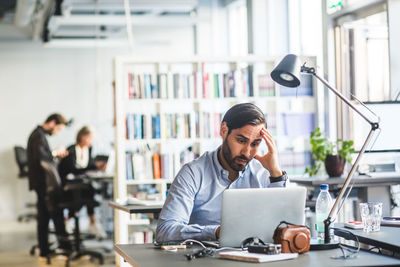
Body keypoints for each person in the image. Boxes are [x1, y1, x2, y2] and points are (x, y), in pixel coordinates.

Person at [155, 103, 287, 242]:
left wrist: (276, 174)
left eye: (255, 144)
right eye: (241, 141)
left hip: (258, 257)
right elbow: (165, 231)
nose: (247, 152)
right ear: (224, 131)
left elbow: (286, 226)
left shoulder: (266, 172)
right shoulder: (193, 173)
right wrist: (217, 232)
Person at [27, 113, 71, 258]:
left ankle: (45, 250)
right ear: (52, 123)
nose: (56, 132)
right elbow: (42, 159)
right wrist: (55, 153)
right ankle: (56, 248)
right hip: (42, 182)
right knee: (46, 216)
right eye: (58, 129)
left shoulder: (39, 135)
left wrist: (54, 155)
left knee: (44, 216)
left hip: (41, 181)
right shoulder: (38, 136)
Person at [58, 126, 107, 239]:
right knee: (88, 192)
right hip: (67, 186)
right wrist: (94, 166)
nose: (91, 141)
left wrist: (96, 166)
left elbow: (87, 166)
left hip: (80, 184)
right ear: (83, 137)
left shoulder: (88, 150)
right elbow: (73, 169)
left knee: (88, 190)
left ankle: (83, 221)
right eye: (90, 138)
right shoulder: (71, 149)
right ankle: (92, 222)